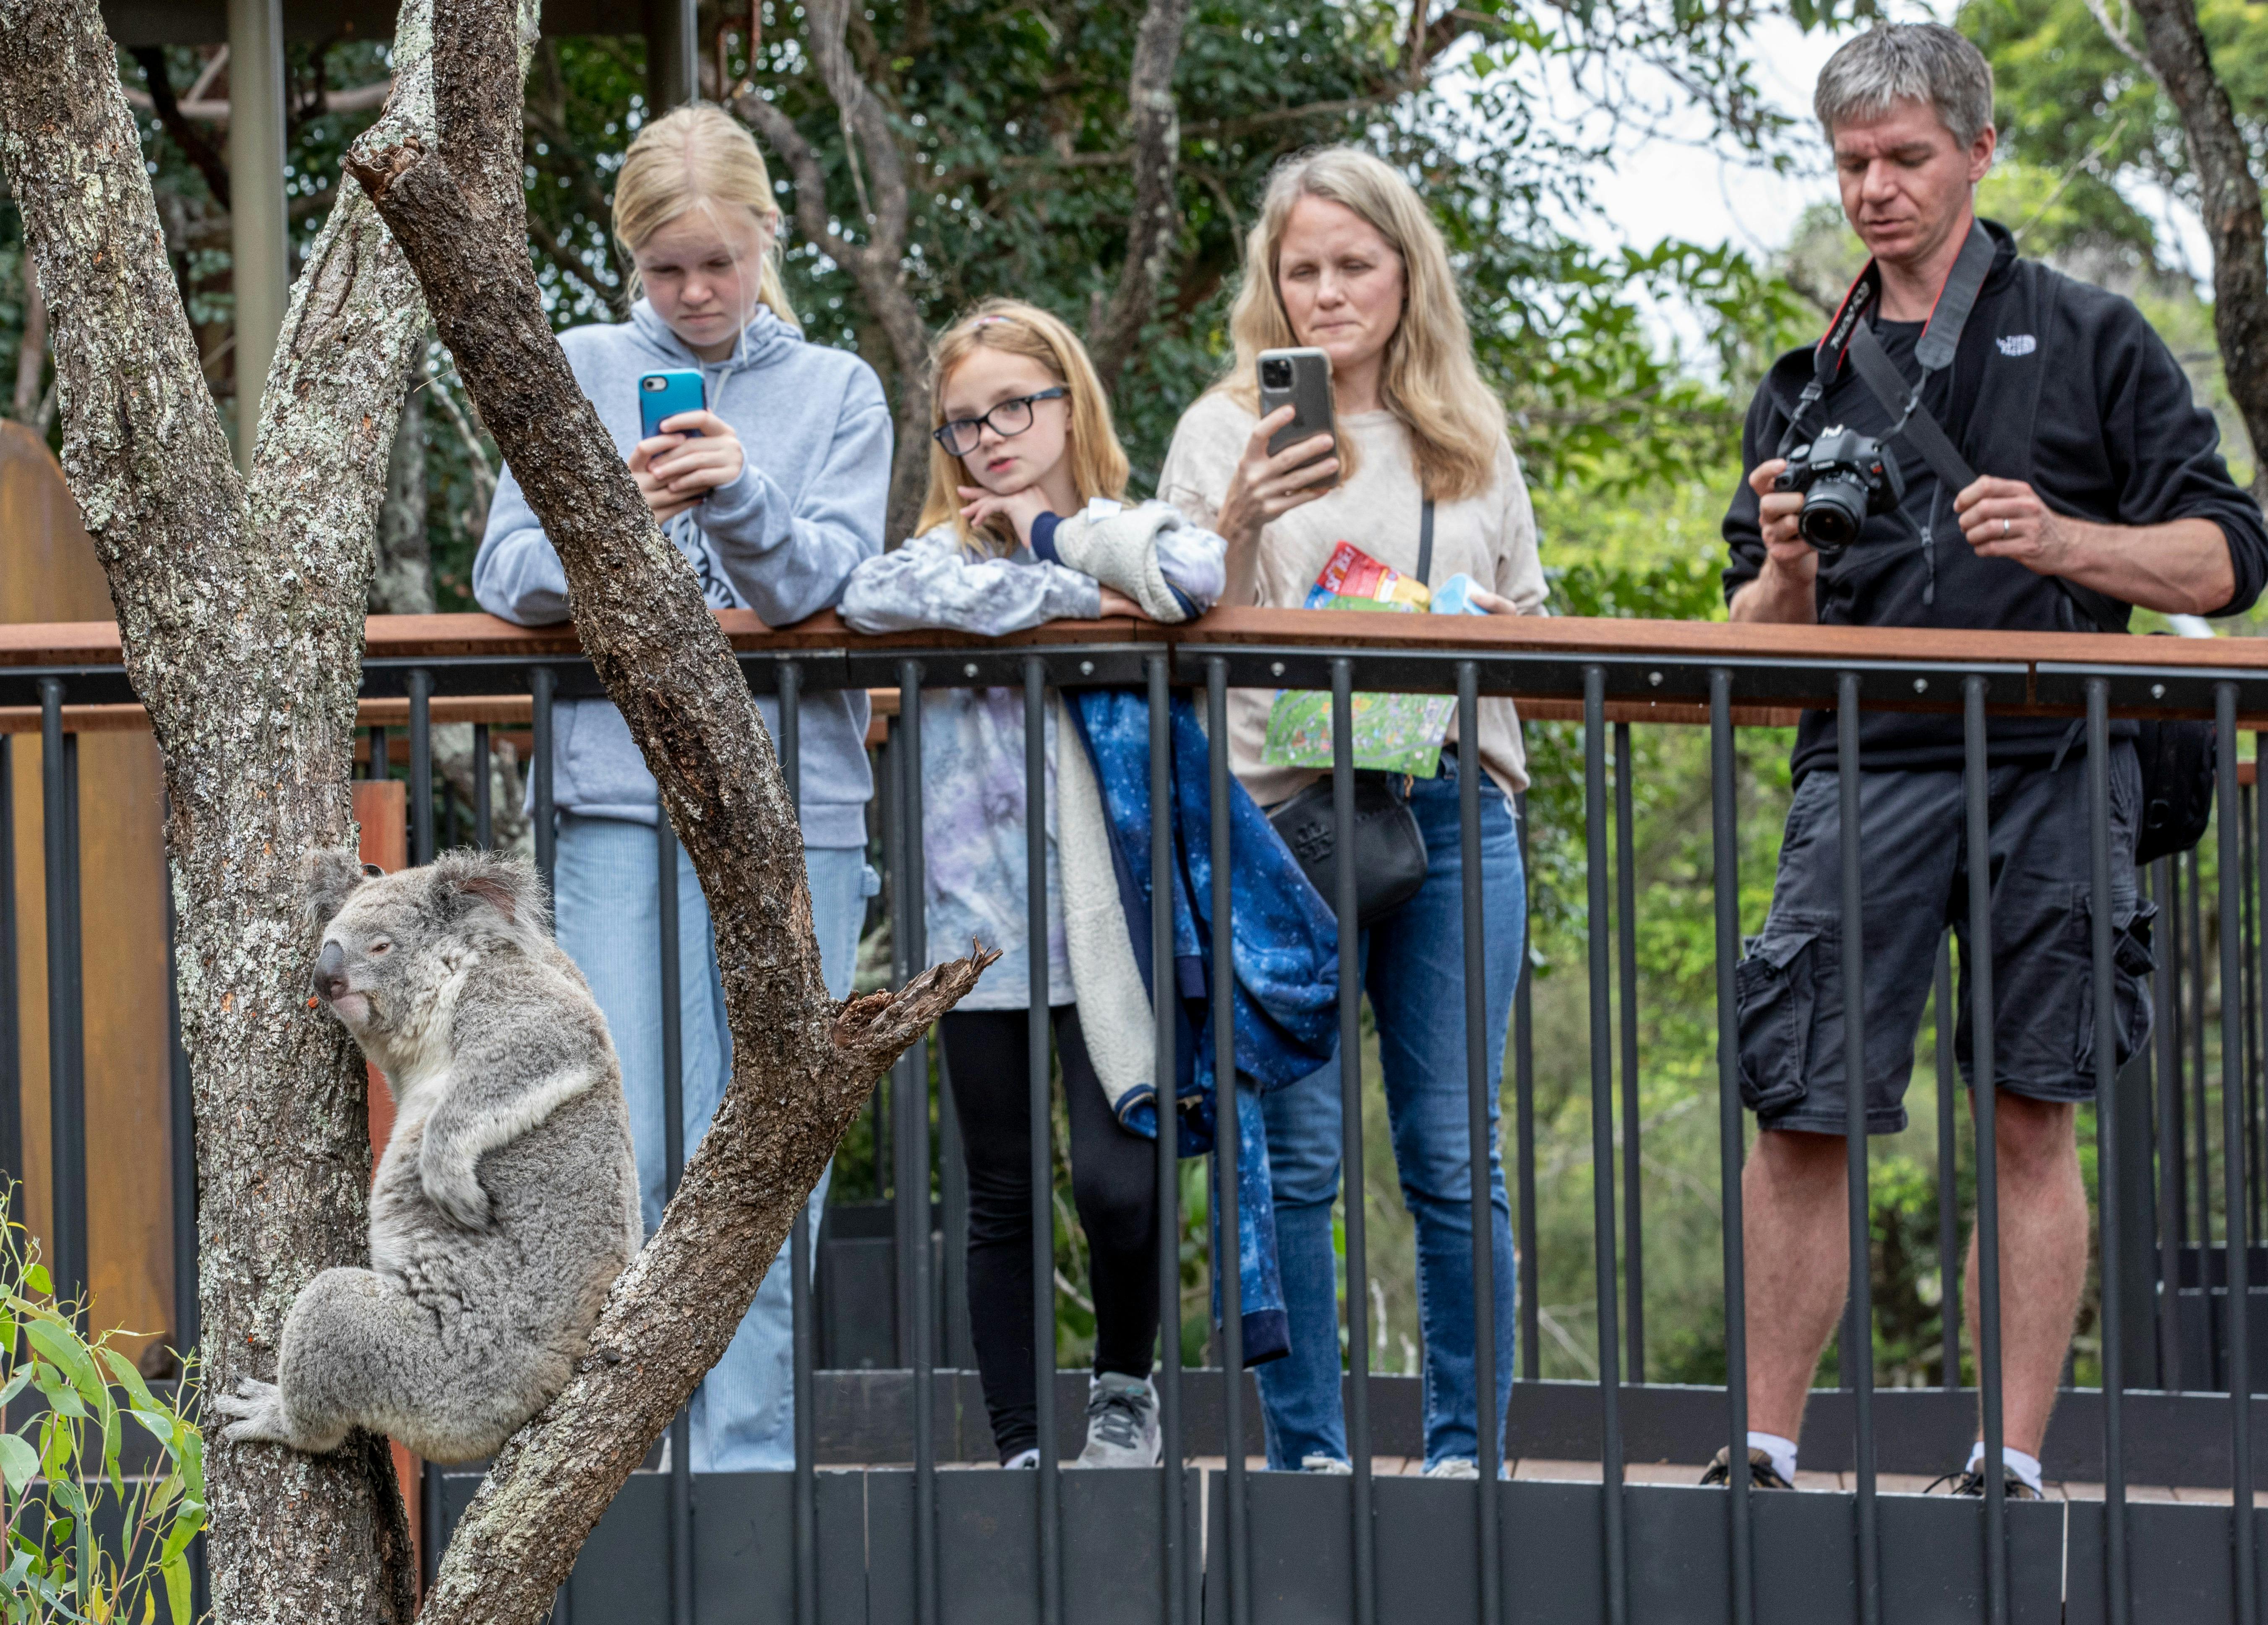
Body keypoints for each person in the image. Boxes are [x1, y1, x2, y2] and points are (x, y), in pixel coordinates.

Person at [1717, 23, 2268, 1500]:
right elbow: (1751, 640)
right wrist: (1779, 573)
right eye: (1852, 166)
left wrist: (2070, 540)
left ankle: (2009, 1460)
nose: (1877, 190)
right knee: (1803, 1104)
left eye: (1905, 158)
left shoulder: (2092, 335)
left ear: (1978, 150)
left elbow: (2230, 556)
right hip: (1865, 766)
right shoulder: (1808, 381)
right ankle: (1766, 1448)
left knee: (2036, 1107)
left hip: (2057, 762)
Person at [472, 104, 889, 1470]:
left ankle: (749, 1473)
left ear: (769, 237)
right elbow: (504, 575)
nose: (698, 293)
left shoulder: (836, 390)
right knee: (629, 1149)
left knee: (766, 1153)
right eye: (668, 270)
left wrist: (740, 492)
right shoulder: (583, 365)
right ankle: (621, 1467)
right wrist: (613, 523)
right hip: (615, 800)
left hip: (797, 811)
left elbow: (827, 581)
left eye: (719, 261)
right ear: (630, 264)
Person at [1158, 146, 1544, 1477]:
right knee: (1298, 1156)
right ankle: (1309, 1455)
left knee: (1453, 1157)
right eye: (1302, 268)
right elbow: (1171, 612)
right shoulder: (1226, 427)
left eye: (1352, 265)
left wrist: (1494, 627)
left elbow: (1537, 626)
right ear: (1274, 281)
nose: (1327, 292)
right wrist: (1235, 516)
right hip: (1277, 818)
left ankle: (1462, 1459)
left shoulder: (1468, 434)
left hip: (1446, 802)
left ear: (1404, 271)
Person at [840, 300, 1227, 1468]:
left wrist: (1051, 542)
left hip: (1103, 916)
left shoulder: (1117, 524)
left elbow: (1189, 572)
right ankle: (1017, 1439)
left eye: (1017, 406)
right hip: (975, 920)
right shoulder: (934, 555)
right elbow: (872, 601)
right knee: (999, 1189)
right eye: (966, 422)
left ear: (1069, 406)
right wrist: (1052, 592)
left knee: (1121, 1179)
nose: (993, 435)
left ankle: (1122, 1388)